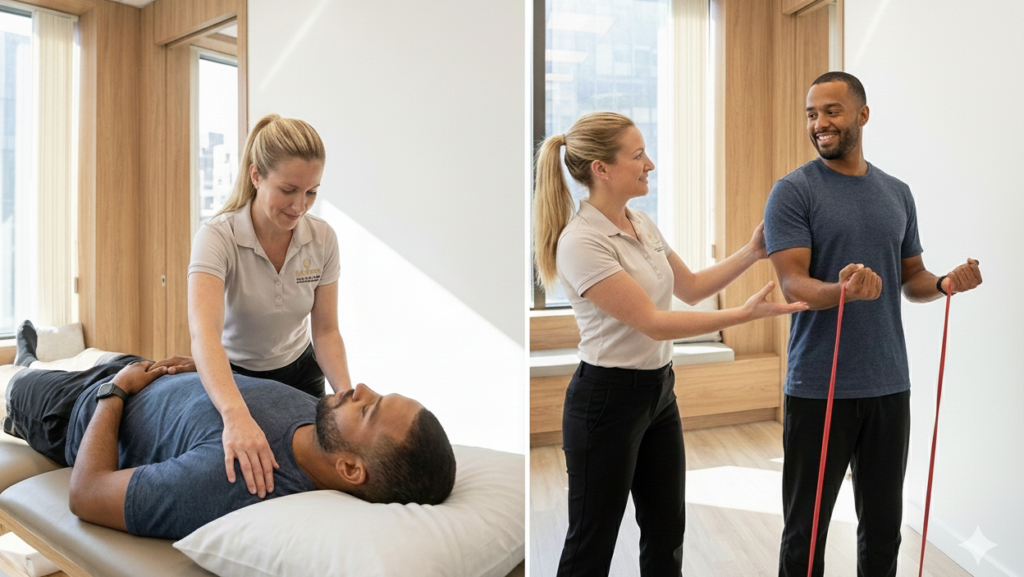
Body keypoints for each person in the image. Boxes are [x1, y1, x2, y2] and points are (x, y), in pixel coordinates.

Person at [533, 111, 808, 576]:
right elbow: (654, 323)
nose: (650, 164)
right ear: (601, 168)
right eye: (638, 155)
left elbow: (694, 287)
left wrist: (752, 252)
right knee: (591, 542)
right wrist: (745, 314)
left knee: (666, 531)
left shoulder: (640, 222)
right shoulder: (581, 241)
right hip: (606, 402)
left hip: (658, 393)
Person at [764, 71, 982, 577]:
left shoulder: (897, 193)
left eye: (832, 111)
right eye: (812, 113)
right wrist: (841, 292)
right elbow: (793, 285)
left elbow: (912, 278)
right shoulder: (792, 192)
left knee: (884, 527)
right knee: (806, 532)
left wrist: (946, 283)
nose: (820, 123)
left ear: (862, 115)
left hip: (888, 385)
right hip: (819, 387)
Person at [2, 324, 456, 541]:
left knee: (15, 381)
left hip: (79, 410)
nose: (358, 388)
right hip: (149, 373)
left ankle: (24, 365)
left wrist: (114, 394)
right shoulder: (321, 421)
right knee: (92, 358)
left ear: (350, 469)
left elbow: (86, 495)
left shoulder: (241, 479)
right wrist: (203, 370)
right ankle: (36, 359)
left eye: (369, 409)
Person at [189, 114, 351, 500]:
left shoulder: (322, 238)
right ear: (256, 175)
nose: (300, 206)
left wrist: (346, 396)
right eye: (289, 189)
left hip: (300, 370)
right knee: (250, 480)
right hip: (236, 378)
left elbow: (326, 330)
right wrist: (234, 414)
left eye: (311, 192)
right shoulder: (218, 237)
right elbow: (204, 334)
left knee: (312, 481)